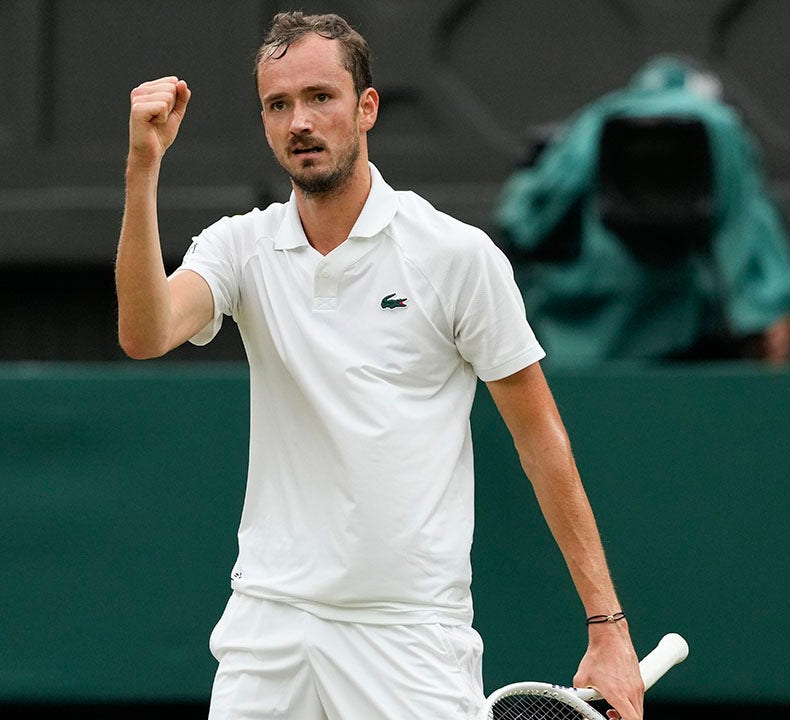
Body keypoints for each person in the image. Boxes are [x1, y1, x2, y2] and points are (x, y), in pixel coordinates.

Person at [116, 11, 643, 720]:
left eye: (320, 97)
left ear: (366, 108)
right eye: (279, 105)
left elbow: (540, 437)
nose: (299, 121)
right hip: (269, 628)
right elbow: (145, 333)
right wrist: (143, 166)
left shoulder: (455, 257)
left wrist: (607, 626)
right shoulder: (240, 249)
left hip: (411, 636)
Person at [494, 55, 790, 366]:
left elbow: (524, 219)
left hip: (591, 334)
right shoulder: (722, 125)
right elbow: (753, 221)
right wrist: (770, 308)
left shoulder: (596, 119)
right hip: (692, 324)